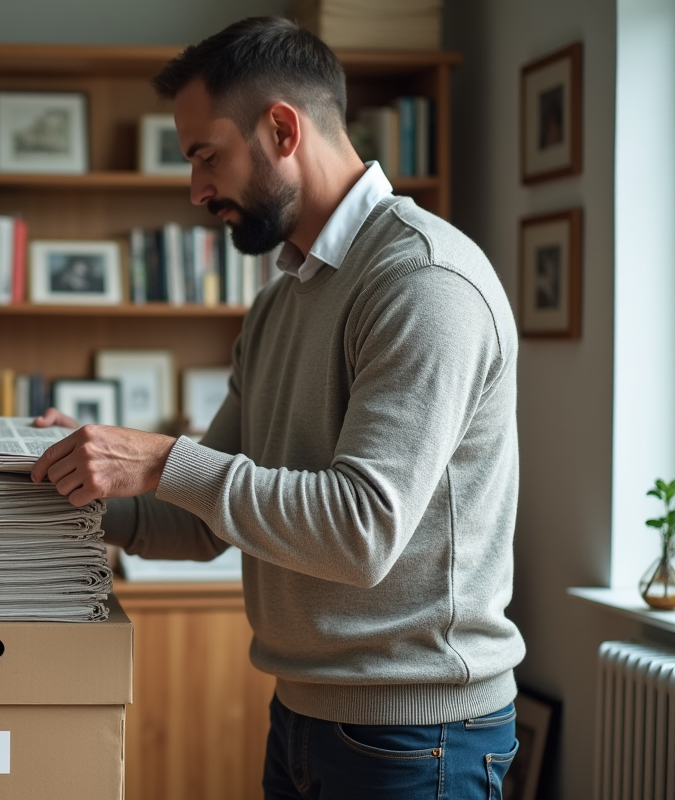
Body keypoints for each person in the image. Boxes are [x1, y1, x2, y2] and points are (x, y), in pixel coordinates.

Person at [31, 17, 525, 800]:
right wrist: (66, 489)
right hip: (303, 718)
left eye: (204, 156)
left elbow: (361, 530)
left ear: (282, 129)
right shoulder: (279, 304)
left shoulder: (423, 282)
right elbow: (199, 520)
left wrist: (159, 459)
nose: (195, 190)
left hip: (417, 738)